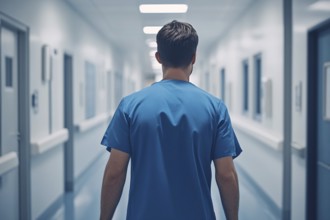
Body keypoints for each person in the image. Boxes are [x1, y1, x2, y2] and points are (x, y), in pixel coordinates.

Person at [100, 20, 242, 220]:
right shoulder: (215, 108)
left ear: (158, 57)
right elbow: (226, 175)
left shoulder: (130, 106)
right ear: (193, 57)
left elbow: (114, 172)